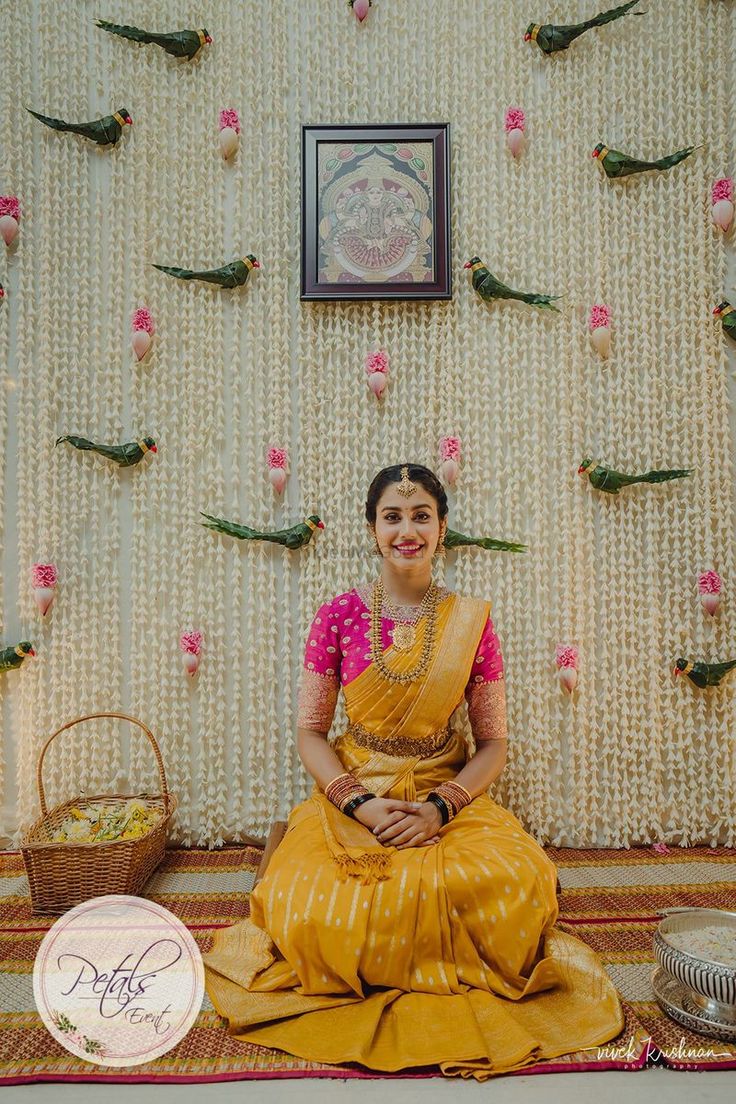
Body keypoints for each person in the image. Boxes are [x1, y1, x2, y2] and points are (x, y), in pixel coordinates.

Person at [201, 463, 624, 1080]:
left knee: (519, 885)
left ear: (441, 527)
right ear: (372, 528)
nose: (407, 529)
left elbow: (493, 745)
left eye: (421, 515)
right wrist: (359, 805)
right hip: (355, 794)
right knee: (301, 905)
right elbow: (310, 734)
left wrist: (439, 810)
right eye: (392, 516)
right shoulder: (337, 616)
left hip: (445, 792)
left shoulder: (471, 622)